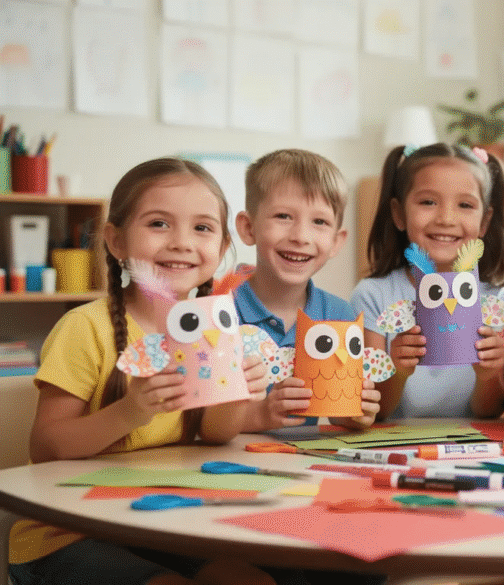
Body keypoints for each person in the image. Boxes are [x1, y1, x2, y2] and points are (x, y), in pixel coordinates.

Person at [8, 158, 276, 585]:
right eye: (159, 224)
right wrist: (130, 412)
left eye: (202, 228)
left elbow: (216, 433)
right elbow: (46, 446)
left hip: (165, 525)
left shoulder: (212, 330)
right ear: (115, 241)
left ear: (223, 248)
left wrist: (240, 391)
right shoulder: (87, 327)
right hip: (65, 537)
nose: (182, 242)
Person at [351, 143, 504, 420]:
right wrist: (397, 370)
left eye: (465, 205)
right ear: (399, 214)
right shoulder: (372, 296)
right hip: (395, 449)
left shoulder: (499, 304)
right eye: (428, 202)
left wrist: (489, 376)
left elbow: (488, 413)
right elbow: (373, 411)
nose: (446, 219)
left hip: (468, 448)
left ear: (485, 222)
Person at [233, 148, 380, 432]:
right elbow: (197, 422)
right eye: (284, 216)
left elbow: (338, 414)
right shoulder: (220, 313)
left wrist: (357, 412)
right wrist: (259, 414)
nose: (300, 236)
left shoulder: (339, 315)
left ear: (337, 242)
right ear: (249, 228)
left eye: (319, 222)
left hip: (301, 464)